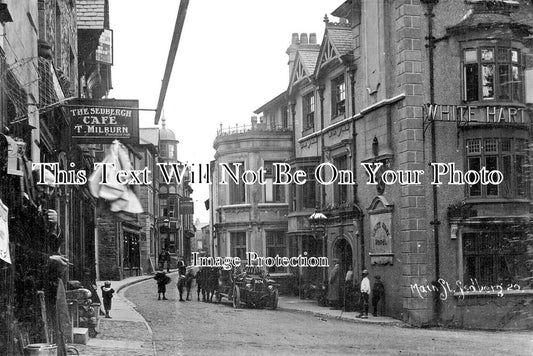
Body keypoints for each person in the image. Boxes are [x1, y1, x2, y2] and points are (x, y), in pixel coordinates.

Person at [13, 166, 70, 343]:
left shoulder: (41, 211)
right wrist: (48, 259)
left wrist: (55, 227)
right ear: (32, 185)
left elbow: (51, 245)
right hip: (24, 285)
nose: (47, 192)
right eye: (43, 186)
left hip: (42, 285)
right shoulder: (22, 210)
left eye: (51, 188)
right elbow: (17, 249)